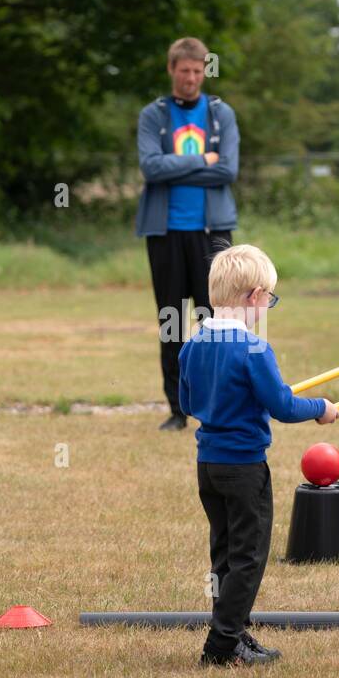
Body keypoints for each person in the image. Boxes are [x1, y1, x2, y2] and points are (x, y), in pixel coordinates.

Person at [178, 244, 339, 666]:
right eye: (269, 297)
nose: (269, 305)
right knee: (248, 557)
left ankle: (234, 631)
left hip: (208, 466)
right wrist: (321, 408)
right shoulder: (254, 349)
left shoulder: (192, 344)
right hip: (245, 467)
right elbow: (283, 407)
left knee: (225, 553)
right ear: (253, 296)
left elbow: (187, 402)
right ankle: (221, 645)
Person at [136, 36, 241, 431]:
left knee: (218, 320)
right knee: (171, 321)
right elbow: (151, 168)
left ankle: (219, 408)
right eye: (185, 71)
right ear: (172, 70)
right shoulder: (154, 115)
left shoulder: (220, 113)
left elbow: (228, 170)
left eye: (198, 71)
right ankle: (178, 410)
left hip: (212, 233)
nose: (191, 78)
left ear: (204, 71)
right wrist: (202, 159)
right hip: (165, 232)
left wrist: (175, 164)